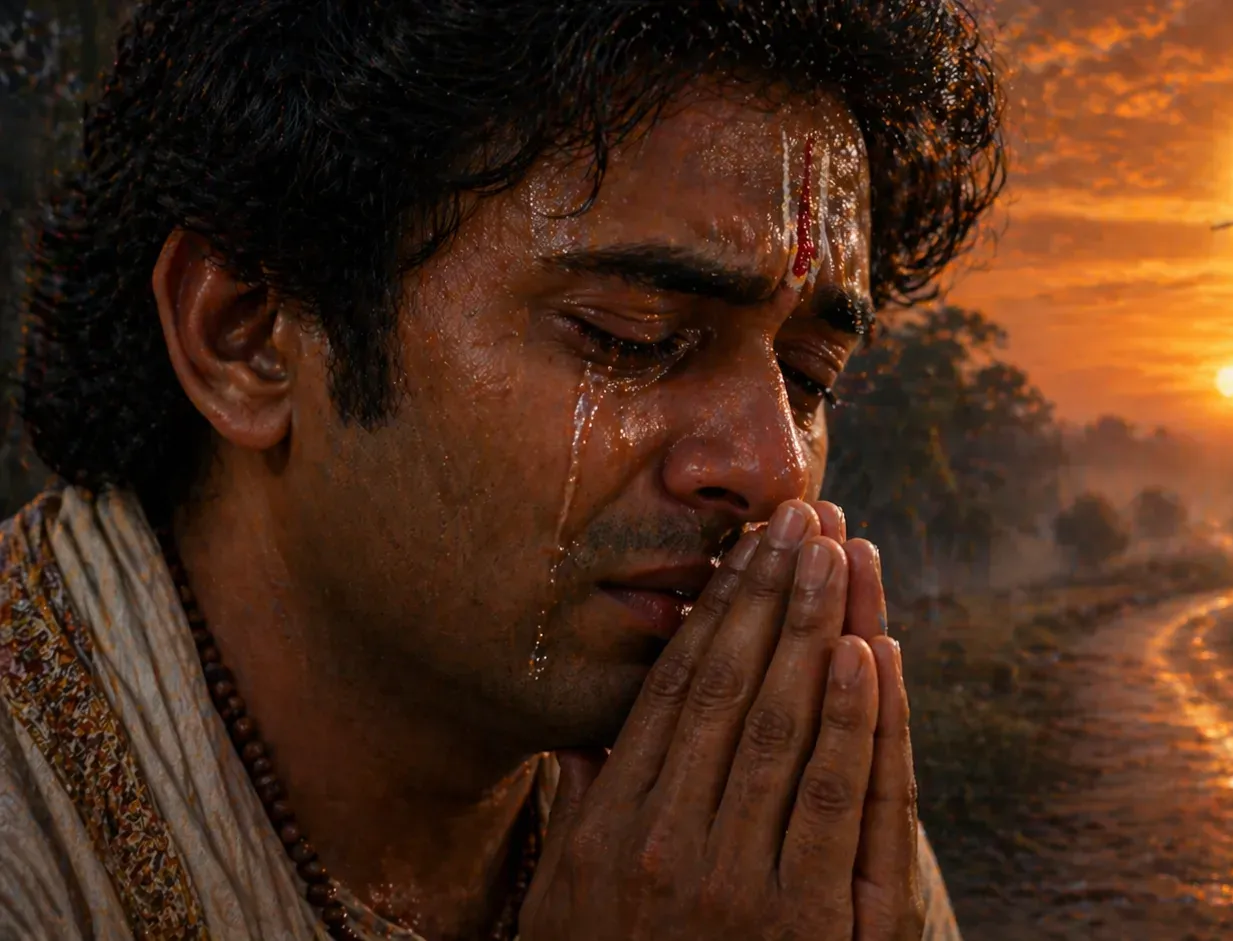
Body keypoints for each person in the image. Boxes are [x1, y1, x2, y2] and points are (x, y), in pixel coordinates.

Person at [1, 2, 1004, 938]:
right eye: (631, 336)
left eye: (809, 374)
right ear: (250, 337)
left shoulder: (765, 814)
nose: (776, 467)